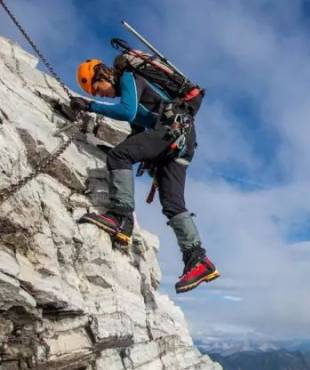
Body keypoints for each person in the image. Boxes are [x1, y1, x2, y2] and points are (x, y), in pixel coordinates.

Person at [70, 58, 219, 294]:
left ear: (103, 76)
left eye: (97, 90)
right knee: (172, 204)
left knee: (119, 157)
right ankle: (198, 259)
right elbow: (137, 133)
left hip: (172, 133)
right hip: (182, 143)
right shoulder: (135, 94)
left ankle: (121, 218)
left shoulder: (128, 78)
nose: (102, 96)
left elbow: (126, 111)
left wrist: (89, 106)